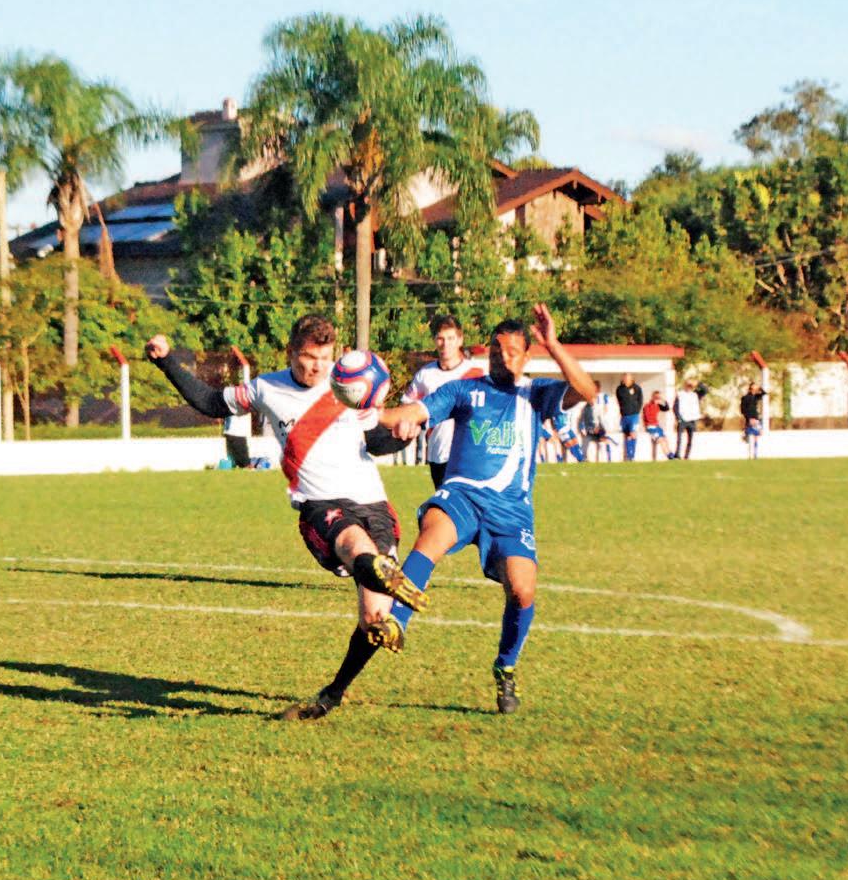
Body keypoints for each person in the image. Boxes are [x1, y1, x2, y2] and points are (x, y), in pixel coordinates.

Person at [147, 316, 428, 720]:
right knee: (354, 546)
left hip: (373, 503)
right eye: (308, 357)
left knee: (374, 619)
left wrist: (401, 436)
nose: (316, 367)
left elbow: (375, 443)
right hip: (320, 503)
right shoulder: (265, 388)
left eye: (324, 358)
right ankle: (380, 570)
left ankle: (331, 695)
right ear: (291, 352)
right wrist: (166, 361)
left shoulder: (348, 383)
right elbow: (209, 402)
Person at [379, 303, 600, 714]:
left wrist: (553, 344)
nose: (503, 358)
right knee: (433, 532)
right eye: (497, 351)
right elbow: (415, 411)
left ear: (526, 355)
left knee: (523, 589)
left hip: (511, 510)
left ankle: (506, 666)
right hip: (462, 495)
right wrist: (372, 416)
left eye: (513, 352)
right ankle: (395, 622)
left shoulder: (537, 394)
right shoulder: (465, 390)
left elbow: (588, 392)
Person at [401, 315, 485, 488]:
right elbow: (407, 407)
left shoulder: (477, 373)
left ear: (460, 340)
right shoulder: (425, 375)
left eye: (451, 338)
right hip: (438, 454)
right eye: (440, 338)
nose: (445, 344)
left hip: (471, 455)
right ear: (434, 340)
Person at [615, 373, 644, 461]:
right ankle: (628, 455)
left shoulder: (637, 388)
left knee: (633, 433)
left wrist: (637, 410)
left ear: (631, 379)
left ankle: (632, 456)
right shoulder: (619, 389)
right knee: (627, 435)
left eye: (627, 378)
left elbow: (640, 400)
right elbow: (619, 400)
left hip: (634, 415)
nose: (626, 380)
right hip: (624, 416)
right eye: (624, 378)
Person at [672, 379, 702, 459]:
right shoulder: (680, 394)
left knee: (690, 439)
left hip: (692, 420)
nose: (689, 387)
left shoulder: (695, 395)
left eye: (690, 386)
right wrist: (678, 418)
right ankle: (677, 454)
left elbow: (705, 390)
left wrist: (697, 383)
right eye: (688, 385)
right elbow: (675, 407)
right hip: (682, 419)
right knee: (679, 439)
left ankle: (687, 456)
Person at [643, 390, 671, 461]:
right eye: (656, 397)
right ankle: (669, 455)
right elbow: (647, 418)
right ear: (653, 397)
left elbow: (667, 408)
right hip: (651, 427)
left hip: (657, 426)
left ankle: (670, 454)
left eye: (658, 398)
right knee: (660, 440)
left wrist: (663, 400)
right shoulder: (647, 406)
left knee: (665, 439)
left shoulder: (658, 406)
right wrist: (650, 425)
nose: (657, 399)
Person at [740, 382, 766, 458]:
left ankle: (755, 454)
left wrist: (759, 387)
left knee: (757, 436)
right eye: (752, 388)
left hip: (755, 418)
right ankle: (750, 453)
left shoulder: (755, 397)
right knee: (749, 437)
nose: (754, 390)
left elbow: (764, 393)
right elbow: (742, 409)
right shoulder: (745, 398)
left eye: (755, 389)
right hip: (749, 419)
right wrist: (748, 418)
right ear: (750, 389)